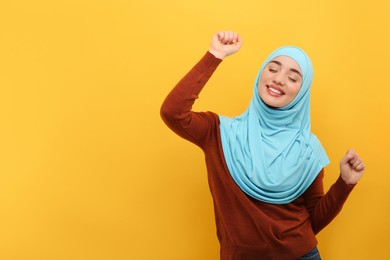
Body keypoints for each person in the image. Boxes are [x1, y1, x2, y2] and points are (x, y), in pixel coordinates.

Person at [160, 31, 365, 260]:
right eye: (273, 68)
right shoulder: (218, 132)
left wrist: (345, 183)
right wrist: (215, 55)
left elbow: (313, 221)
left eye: (293, 77)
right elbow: (173, 113)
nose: (278, 79)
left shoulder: (308, 149)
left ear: (301, 92)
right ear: (260, 75)